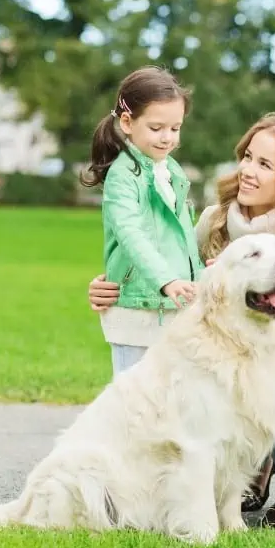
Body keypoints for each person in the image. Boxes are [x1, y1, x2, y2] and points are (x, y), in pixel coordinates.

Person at [88, 113, 275, 526]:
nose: (248, 171)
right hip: (227, 354)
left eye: (265, 165)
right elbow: (170, 266)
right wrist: (113, 287)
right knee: (213, 398)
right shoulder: (217, 219)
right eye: (248, 157)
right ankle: (239, 473)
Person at [80, 66, 203, 376]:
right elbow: (130, 234)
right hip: (136, 307)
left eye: (175, 128)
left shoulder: (171, 170)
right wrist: (167, 280)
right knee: (133, 402)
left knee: (171, 401)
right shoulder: (124, 176)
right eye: (157, 127)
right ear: (127, 122)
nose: (168, 138)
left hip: (173, 307)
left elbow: (184, 239)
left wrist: (199, 280)